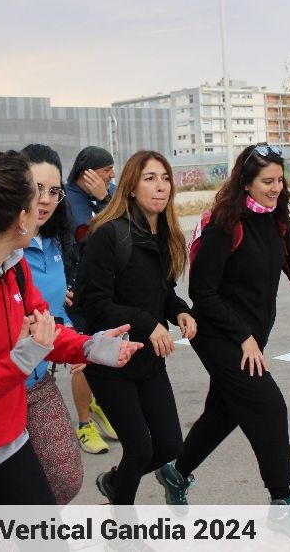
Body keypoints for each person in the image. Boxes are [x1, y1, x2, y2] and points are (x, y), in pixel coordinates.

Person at [161, 143, 290, 541]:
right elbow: (203, 293)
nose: (276, 188)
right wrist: (243, 338)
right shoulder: (223, 224)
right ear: (246, 181)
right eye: (267, 181)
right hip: (220, 335)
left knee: (224, 413)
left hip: (250, 338)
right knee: (270, 407)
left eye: (280, 180)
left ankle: (176, 472)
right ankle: (282, 504)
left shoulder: (276, 221)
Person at [0, 150, 143, 505]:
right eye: (37, 200)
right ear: (20, 217)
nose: (44, 210)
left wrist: (91, 347)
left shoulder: (14, 267)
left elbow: (45, 331)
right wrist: (21, 360)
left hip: (9, 441)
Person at [74, 150, 197, 505]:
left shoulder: (164, 234)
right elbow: (93, 303)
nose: (161, 187)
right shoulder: (108, 234)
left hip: (147, 361)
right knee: (140, 449)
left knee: (170, 445)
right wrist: (148, 322)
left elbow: (163, 291)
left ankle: (115, 484)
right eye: (149, 179)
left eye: (165, 178)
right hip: (112, 361)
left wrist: (180, 313)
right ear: (129, 187)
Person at [20, 144, 84, 504]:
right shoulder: (1, 247)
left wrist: (75, 340)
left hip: (41, 375)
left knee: (65, 476)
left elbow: (56, 305)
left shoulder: (53, 240)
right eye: (36, 187)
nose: (45, 199)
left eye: (54, 191)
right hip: (1, 385)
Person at [63, 145, 119, 453]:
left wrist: (104, 197)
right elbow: (90, 237)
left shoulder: (101, 196)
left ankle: (97, 406)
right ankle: (84, 424)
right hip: (78, 294)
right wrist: (103, 198)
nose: (112, 175)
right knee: (83, 359)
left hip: (102, 289)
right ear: (87, 172)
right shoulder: (71, 200)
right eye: (106, 169)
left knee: (106, 352)